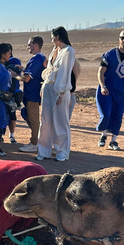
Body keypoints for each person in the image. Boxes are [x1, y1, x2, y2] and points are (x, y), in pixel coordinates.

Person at [96, 29, 124, 150]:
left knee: (118, 116)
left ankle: (113, 141)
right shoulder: (109, 54)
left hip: (122, 92)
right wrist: (102, 86)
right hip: (106, 91)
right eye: (122, 37)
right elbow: (100, 72)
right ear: (119, 38)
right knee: (106, 114)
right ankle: (103, 134)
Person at [37, 26, 76, 162]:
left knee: (60, 122)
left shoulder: (68, 51)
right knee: (45, 121)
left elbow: (65, 73)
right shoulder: (54, 50)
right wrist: (43, 88)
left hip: (59, 90)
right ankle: (43, 151)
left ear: (59, 36)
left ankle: (62, 152)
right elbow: (49, 70)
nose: (52, 40)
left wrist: (61, 92)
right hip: (48, 88)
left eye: (53, 37)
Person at [13, 36, 47, 153]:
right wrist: (23, 68)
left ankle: (34, 143)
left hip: (32, 94)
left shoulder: (37, 58)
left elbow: (27, 78)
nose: (28, 47)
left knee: (33, 119)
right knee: (26, 114)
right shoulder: (38, 58)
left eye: (29, 45)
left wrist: (14, 75)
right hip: (31, 94)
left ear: (35, 45)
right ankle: (37, 140)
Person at [5, 45, 24, 144]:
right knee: (3, 113)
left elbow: (17, 71)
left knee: (12, 113)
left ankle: (11, 135)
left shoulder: (14, 61)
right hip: (3, 91)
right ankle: (0, 135)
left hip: (12, 92)